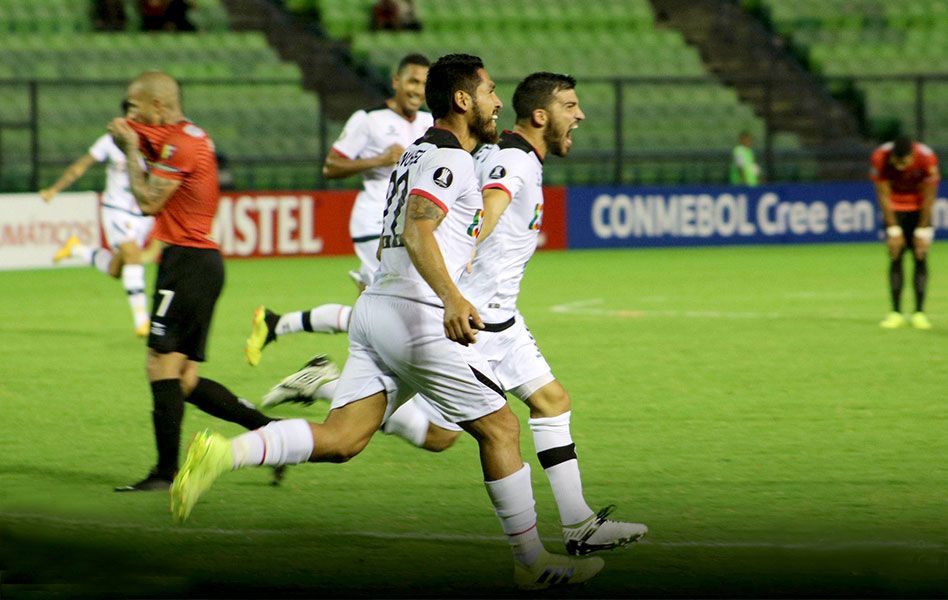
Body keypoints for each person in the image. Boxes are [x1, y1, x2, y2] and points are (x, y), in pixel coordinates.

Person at [170, 54, 604, 590]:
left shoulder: (421, 149)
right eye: (490, 91)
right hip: (417, 316)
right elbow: (421, 230)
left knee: (343, 439)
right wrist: (450, 297)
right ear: (464, 100)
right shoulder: (449, 157)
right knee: (502, 428)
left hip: (379, 308)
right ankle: (532, 564)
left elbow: (403, 232)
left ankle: (223, 454)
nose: (497, 101)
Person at [263, 73, 648, 557]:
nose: (581, 114)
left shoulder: (512, 154)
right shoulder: (513, 161)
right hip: (476, 320)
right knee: (443, 436)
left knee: (552, 401)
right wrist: (454, 277)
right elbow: (485, 211)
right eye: (571, 105)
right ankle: (324, 388)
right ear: (541, 115)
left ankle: (579, 525)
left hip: (502, 317)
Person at [107, 71, 283, 491]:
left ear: (158, 107)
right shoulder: (180, 135)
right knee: (182, 378)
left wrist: (130, 149)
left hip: (187, 262)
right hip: (196, 262)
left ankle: (165, 472)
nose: (129, 115)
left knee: (160, 364)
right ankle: (273, 434)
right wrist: (132, 135)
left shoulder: (182, 143)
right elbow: (141, 137)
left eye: (134, 107)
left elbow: (149, 201)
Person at [244, 53, 433, 366]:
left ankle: (278, 324)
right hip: (375, 223)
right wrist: (378, 160)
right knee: (400, 311)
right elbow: (331, 166)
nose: (418, 90)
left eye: (425, 84)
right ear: (396, 82)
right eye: (413, 81)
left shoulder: (428, 123)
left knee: (373, 315)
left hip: (408, 226)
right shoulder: (368, 119)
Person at [45, 100, 154, 337]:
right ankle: (142, 321)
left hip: (143, 213)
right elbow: (81, 166)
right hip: (116, 209)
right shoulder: (110, 142)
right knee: (133, 254)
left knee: (116, 269)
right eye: (131, 115)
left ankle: (78, 250)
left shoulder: (151, 142)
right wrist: (55, 189)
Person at [871, 135, 939, 329]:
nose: (900, 166)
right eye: (896, 162)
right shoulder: (880, 156)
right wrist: (893, 229)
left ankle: (919, 313)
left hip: (919, 210)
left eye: (904, 162)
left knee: (920, 257)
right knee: (895, 256)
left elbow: (929, 197)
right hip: (895, 209)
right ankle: (896, 313)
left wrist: (922, 230)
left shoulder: (926, 158)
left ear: (911, 156)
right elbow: (883, 195)